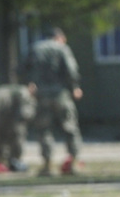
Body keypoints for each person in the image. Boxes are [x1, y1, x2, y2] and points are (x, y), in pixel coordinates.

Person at [21, 27, 83, 176]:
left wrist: (29, 83)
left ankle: (47, 164)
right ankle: (73, 162)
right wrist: (75, 87)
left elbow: (22, 68)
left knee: (44, 129)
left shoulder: (35, 48)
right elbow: (71, 69)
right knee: (70, 127)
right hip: (60, 94)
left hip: (41, 94)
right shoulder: (62, 49)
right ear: (59, 38)